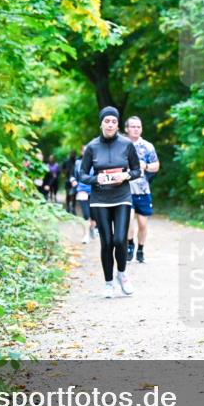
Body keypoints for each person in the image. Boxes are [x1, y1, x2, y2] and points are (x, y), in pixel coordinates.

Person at [80, 107, 142, 297]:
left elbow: (137, 170)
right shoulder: (92, 147)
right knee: (107, 242)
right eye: (107, 121)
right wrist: (95, 179)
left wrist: (125, 175)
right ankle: (108, 283)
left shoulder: (126, 144)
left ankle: (122, 275)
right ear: (101, 124)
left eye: (114, 122)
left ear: (117, 125)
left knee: (120, 240)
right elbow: (82, 174)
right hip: (100, 199)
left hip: (122, 197)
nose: (110, 125)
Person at [123, 116, 160, 263]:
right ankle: (130, 245)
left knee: (143, 224)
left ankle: (140, 249)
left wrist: (146, 166)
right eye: (133, 126)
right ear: (126, 129)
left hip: (143, 190)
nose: (136, 129)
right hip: (125, 190)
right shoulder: (121, 144)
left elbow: (156, 165)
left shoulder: (147, 146)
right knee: (128, 220)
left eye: (138, 126)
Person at [71, 148, 97, 243]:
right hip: (82, 189)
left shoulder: (96, 162)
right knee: (86, 215)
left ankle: (92, 228)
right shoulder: (78, 163)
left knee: (94, 216)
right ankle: (86, 235)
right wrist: (73, 180)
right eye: (84, 151)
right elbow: (72, 175)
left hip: (94, 191)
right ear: (82, 152)